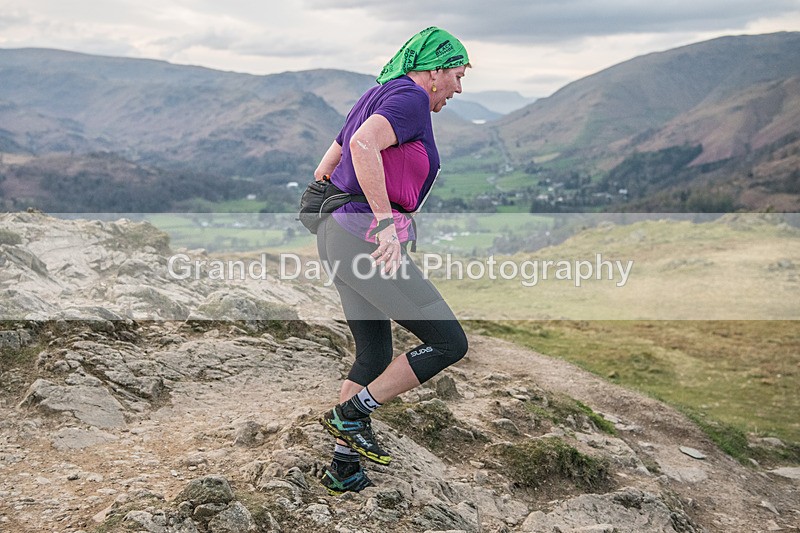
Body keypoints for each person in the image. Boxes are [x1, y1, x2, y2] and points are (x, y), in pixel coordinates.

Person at [313, 26, 471, 495]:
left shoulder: (377, 95)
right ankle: (351, 413)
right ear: (435, 70)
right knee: (449, 342)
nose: (459, 88)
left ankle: (344, 468)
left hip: (339, 237)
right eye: (458, 75)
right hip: (365, 239)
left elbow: (324, 170)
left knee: (375, 353)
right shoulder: (410, 98)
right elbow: (363, 147)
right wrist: (384, 221)